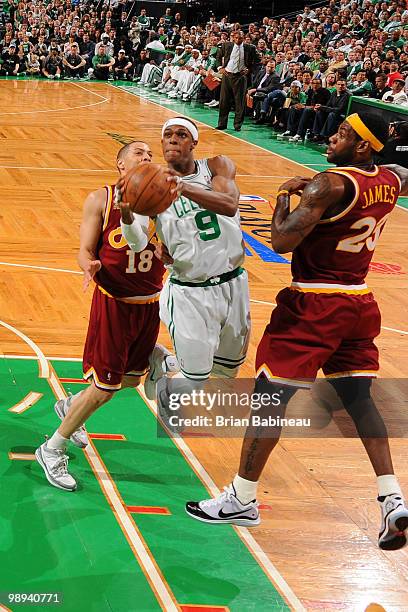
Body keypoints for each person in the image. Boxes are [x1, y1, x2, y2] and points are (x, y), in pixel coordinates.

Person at [186, 112, 408, 552]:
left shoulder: (329, 184)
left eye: (343, 133)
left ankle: (242, 499)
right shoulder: (389, 178)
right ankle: (391, 497)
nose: (331, 135)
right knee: (359, 399)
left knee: (269, 400)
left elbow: (281, 242)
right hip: (359, 302)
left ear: (363, 146)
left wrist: (285, 198)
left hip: (314, 304)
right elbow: (392, 174)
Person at [35, 142, 178, 491]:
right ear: (120, 164)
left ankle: (70, 405)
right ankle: (52, 448)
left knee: (130, 381)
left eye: (148, 154)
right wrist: (89, 265)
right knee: (104, 387)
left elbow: (170, 254)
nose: (146, 157)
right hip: (114, 303)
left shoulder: (163, 204)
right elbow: (84, 250)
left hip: (149, 304)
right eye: (137, 153)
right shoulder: (101, 198)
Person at [121, 117, 251, 398]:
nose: (173, 139)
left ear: (194, 142)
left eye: (181, 134)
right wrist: (126, 214)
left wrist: (182, 187)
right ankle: (164, 381)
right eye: (167, 135)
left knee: (226, 372)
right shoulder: (152, 184)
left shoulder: (216, 166)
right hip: (190, 291)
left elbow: (229, 205)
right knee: (195, 380)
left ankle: (165, 366)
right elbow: (137, 242)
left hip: (234, 284)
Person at [216, 31, 260, 131]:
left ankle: (237, 125)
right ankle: (222, 124)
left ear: (243, 38)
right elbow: (218, 56)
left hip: (240, 77)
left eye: (240, 38)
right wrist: (220, 68)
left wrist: (249, 69)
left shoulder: (250, 48)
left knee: (239, 103)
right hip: (227, 75)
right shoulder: (226, 45)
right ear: (233, 38)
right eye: (235, 38)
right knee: (223, 101)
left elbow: (258, 61)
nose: (237, 40)